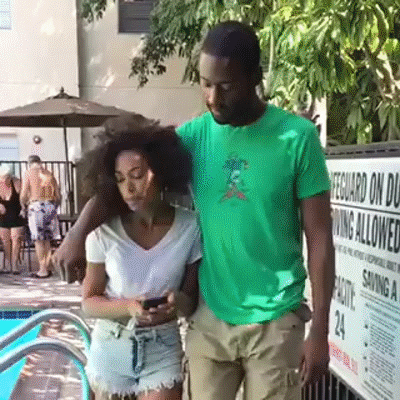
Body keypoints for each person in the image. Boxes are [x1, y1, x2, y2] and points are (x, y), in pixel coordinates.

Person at [54, 20, 335, 400]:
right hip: (210, 317)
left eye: (226, 86)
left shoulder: (296, 138)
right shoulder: (194, 136)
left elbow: (320, 238)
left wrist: (320, 330)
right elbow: (128, 174)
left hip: (276, 318)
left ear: (254, 77)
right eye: (205, 84)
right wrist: (77, 233)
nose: (213, 98)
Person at [81, 124, 201, 400]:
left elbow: (191, 303)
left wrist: (177, 303)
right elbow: (88, 302)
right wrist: (128, 307)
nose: (129, 188)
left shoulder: (190, 227)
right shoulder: (103, 233)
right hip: (111, 347)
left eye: (137, 175)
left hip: (163, 348)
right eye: (120, 179)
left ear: (162, 172)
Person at [20, 155, 61, 278]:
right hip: (50, 206)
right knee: (47, 240)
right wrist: (54, 207)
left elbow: (24, 193)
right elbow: (58, 195)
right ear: (40, 162)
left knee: (38, 240)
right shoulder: (49, 173)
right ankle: (47, 268)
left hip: (37, 206)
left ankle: (42, 270)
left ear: (29, 163)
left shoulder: (29, 173)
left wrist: (23, 205)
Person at [0, 164, 26, 274]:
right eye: (2, 177)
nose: (5, 180)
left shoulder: (17, 183)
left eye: (7, 177)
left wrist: (24, 207)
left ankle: (14, 265)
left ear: (11, 177)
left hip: (16, 215)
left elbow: (25, 197)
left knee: (16, 239)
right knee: (5, 240)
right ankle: (9, 263)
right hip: (2, 217)